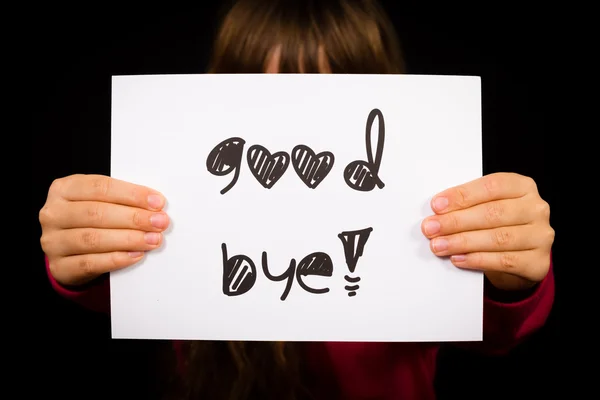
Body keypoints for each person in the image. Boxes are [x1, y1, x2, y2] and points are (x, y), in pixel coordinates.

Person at [38, 0, 555, 399]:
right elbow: (122, 289)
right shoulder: (184, 212)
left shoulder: (423, 214)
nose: (300, 130)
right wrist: (80, 252)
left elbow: (493, 326)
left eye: (336, 96)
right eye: (269, 96)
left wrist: (511, 274)